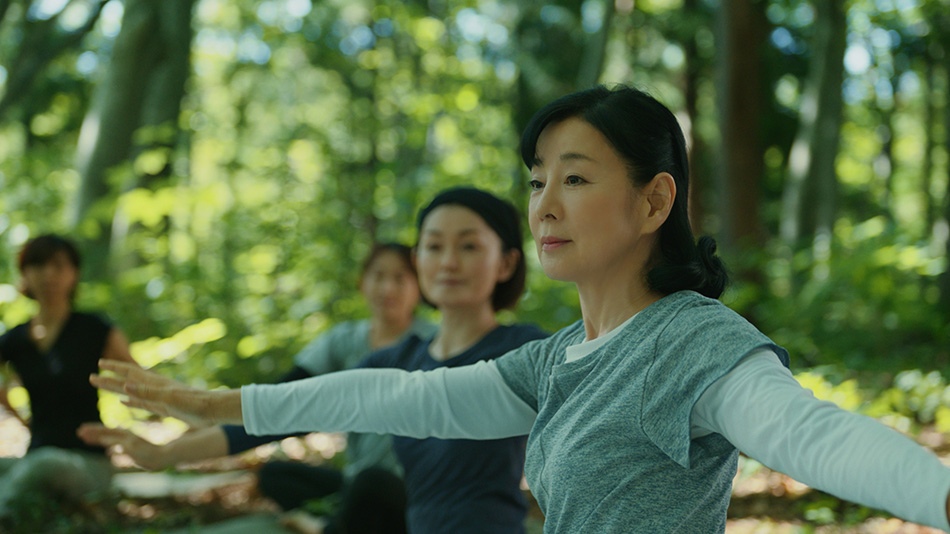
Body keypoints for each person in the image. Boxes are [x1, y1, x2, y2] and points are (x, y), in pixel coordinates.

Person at [92, 85, 950, 533]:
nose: (544, 206)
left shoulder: (695, 342)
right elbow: (399, 396)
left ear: (656, 201)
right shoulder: (557, 358)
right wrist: (223, 403)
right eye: (538, 181)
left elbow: (815, 436)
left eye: (575, 178)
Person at [92, 188, 547, 534]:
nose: (448, 262)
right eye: (433, 246)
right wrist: (165, 454)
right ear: (418, 259)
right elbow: (281, 414)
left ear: (506, 263)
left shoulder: (527, 350)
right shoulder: (393, 359)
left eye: (469, 247)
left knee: (371, 485)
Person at [80, 242, 436, 530]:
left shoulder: (436, 345)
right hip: (355, 482)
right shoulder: (344, 341)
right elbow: (275, 408)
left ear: (420, 284)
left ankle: (326, 528)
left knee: (373, 486)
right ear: (362, 282)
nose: (388, 288)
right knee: (279, 475)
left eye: (400, 278)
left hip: (418, 493)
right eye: (378, 275)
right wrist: (169, 450)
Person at [0, 234, 137, 520]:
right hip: (35, 456)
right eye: (38, 265)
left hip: (88, 464)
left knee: (46, 465)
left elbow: (139, 379)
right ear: (25, 273)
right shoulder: (15, 340)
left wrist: (196, 410)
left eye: (58, 265)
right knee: (34, 465)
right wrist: (24, 420)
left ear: (74, 273)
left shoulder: (94, 329)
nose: (48, 274)